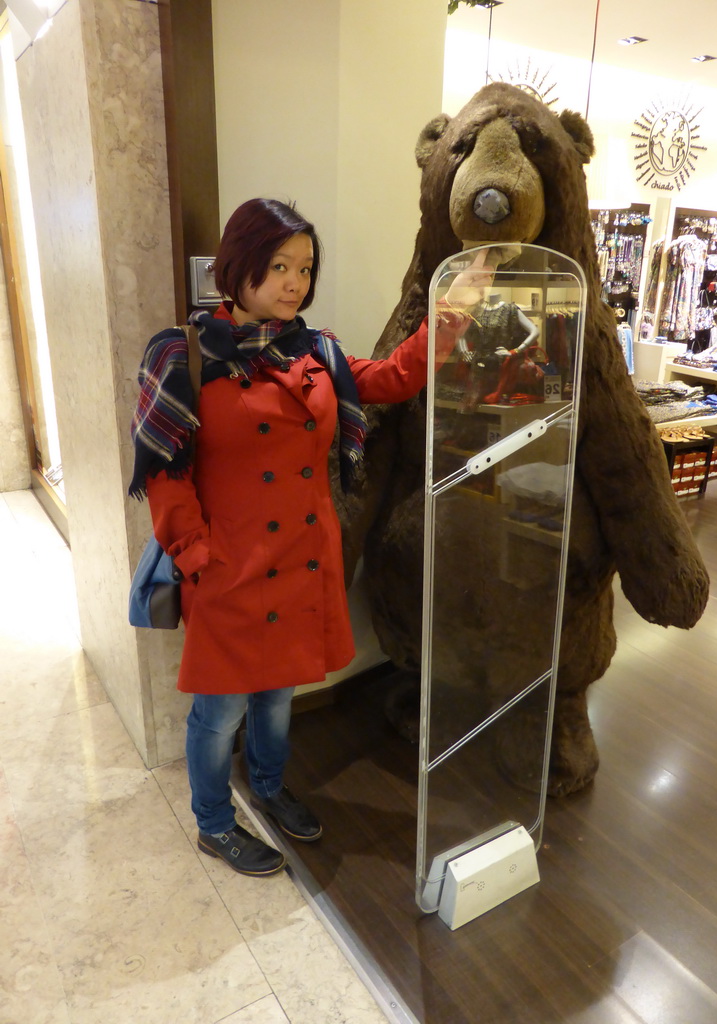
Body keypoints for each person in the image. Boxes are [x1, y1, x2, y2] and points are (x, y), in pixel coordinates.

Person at [129, 198, 488, 877]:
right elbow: (167, 477)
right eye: (278, 265)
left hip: (299, 558)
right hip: (228, 567)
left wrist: (452, 314)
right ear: (238, 267)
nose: (294, 281)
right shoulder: (182, 357)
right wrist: (197, 559)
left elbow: (391, 378)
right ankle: (213, 822)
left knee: (277, 694)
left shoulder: (314, 350)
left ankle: (266, 789)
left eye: (304, 268)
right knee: (221, 708)